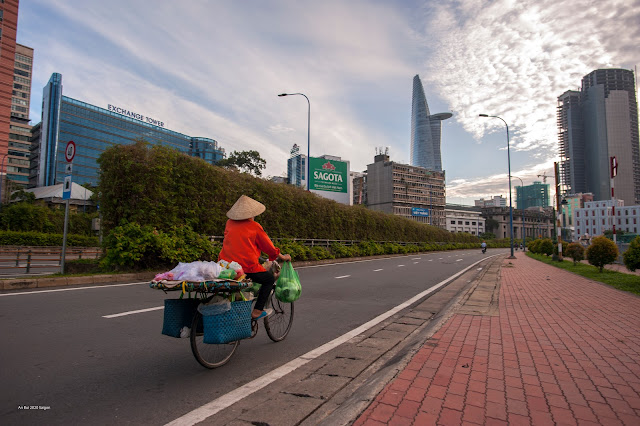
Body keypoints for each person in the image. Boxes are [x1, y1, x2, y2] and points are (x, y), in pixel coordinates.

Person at [218, 195, 292, 320]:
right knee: (268, 280)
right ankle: (257, 311)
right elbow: (269, 248)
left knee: (237, 284)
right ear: (251, 214)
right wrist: (283, 257)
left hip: (224, 265)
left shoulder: (229, 223)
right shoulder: (254, 226)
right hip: (245, 266)